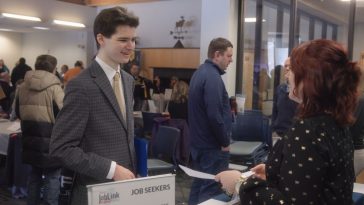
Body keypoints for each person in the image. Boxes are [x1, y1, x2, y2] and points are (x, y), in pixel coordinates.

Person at [216, 39, 360, 205]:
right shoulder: (335, 124)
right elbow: (317, 180)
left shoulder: (307, 131)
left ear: (308, 80)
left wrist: (239, 183)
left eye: (292, 70)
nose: (287, 76)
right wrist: (275, 172)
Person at [50, 6, 139, 205]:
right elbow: (61, 148)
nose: (131, 46)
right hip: (95, 191)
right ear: (101, 39)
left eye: (133, 40)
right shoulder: (81, 85)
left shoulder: (127, 80)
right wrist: (112, 169)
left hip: (126, 189)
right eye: (123, 40)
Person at [188, 37, 233, 204]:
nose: (231, 60)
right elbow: (214, 115)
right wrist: (224, 141)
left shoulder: (199, 73)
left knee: (199, 185)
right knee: (211, 190)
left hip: (199, 144)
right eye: (228, 56)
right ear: (217, 55)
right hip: (212, 147)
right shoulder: (213, 77)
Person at [15, 54, 64, 205]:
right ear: (54, 69)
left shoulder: (22, 87)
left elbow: (17, 112)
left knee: (34, 176)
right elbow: (63, 115)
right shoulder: (55, 88)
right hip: (51, 139)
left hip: (30, 137)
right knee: (53, 177)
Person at [271, 58, 298, 141]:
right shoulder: (280, 88)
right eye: (286, 66)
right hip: (279, 133)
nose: (287, 68)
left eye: (290, 66)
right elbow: (275, 111)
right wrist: (273, 129)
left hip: (294, 133)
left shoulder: (300, 91)